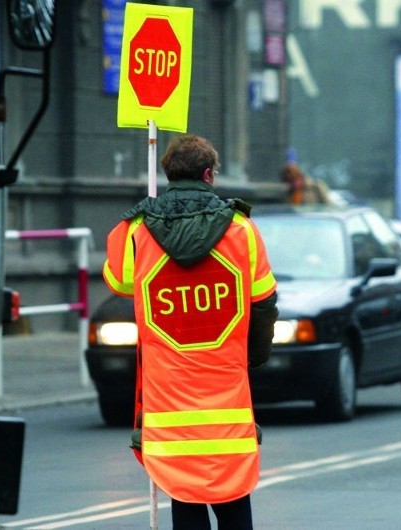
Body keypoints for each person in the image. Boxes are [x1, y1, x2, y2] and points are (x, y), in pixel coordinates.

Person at [102, 134, 278, 529]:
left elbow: (119, 281)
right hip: (226, 395)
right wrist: (252, 357)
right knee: (234, 500)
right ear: (208, 175)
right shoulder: (242, 230)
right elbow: (264, 304)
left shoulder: (135, 231)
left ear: (168, 175)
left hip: (169, 401)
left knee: (184, 496)